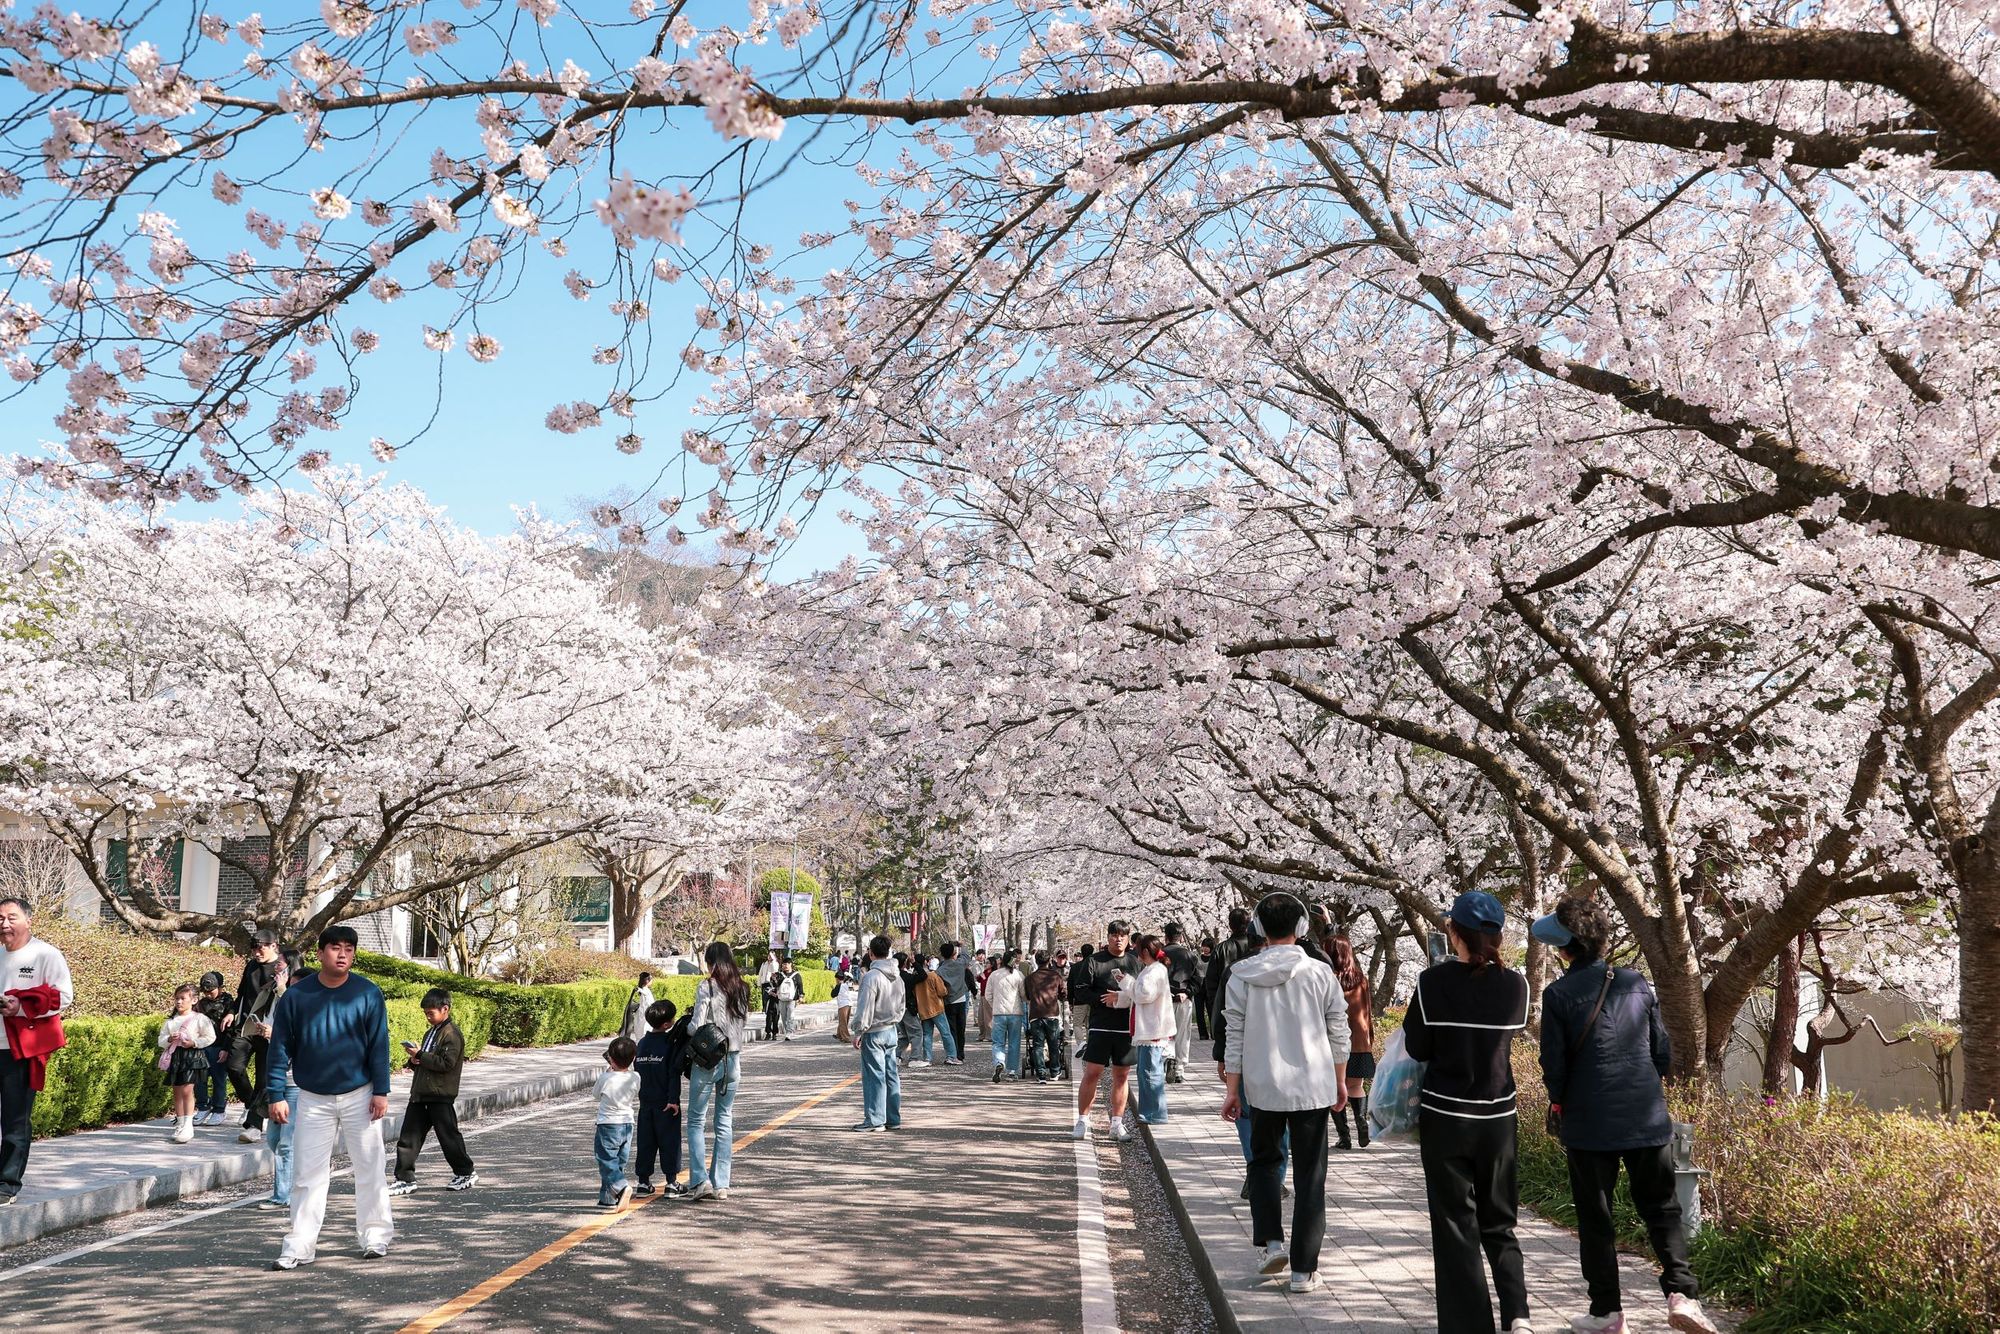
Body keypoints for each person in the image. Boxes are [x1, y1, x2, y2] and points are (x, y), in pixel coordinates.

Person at [1536, 898, 1719, 1334]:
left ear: (1564, 948)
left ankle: (1607, 1312)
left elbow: (1554, 1067)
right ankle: (1683, 1295)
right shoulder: (1637, 983)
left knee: (1595, 1215)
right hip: (1644, 1115)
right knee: (1661, 1208)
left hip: (1588, 1121)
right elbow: (1661, 1053)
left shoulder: (1558, 994)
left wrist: (1558, 1101)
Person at [1402, 891, 1532, 1334]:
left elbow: (1417, 1046)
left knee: (1456, 1224)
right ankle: (1518, 1315)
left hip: (1445, 1115)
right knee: (1501, 1220)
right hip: (1497, 1118)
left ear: (1452, 931)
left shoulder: (1431, 983)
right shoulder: (1516, 986)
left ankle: (1469, 1326)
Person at [1221, 893, 1348, 1294]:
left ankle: (1271, 1244)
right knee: (1311, 1177)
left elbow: (1233, 1036)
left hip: (1262, 1087)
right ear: (1302, 928)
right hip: (1313, 1087)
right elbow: (1338, 1033)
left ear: (1258, 928)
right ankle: (1303, 1271)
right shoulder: (1320, 973)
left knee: (1263, 1164)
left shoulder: (1241, 975)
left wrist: (1232, 1089)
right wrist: (1341, 1081)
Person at [264, 924, 393, 1269]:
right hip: (312, 1097)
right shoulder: (297, 996)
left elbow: (379, 1045)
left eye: (349, 949)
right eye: (335, 948)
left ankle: (375, 1235)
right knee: (307, 1175)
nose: (342, 955)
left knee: (370, 1168)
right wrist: (276, 1093)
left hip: (360, 1094)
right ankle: (299, 1245)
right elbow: (278, 1049)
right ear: (320, 953)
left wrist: (381, 1090)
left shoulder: (367, 993)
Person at [389, 988, 476, 1197]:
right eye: (426, 1013)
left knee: (448, 1137)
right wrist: (414, 1060)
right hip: (421, 1093)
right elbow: (427, 1060)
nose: (428, 1017)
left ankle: (465, 1172)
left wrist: (421, 1054)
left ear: (445, 1009)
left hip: (439, 1095)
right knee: (408, 1138)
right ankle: (404, 1178)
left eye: (431, 1013)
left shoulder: (452, 1034)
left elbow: (447, 1063)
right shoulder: (431, 1032)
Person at [682, 940, 748, 1202]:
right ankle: (721, 1183)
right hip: (733, 1061)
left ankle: (700, 1180)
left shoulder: (706, 986)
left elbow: (697, 1025)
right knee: (724, 1120)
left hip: (708, 1062)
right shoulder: (742, 988)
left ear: (711, 962)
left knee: (697, 1120)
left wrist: (686, 1026)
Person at [1072, 922, 1141, 1140]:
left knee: (1121, 1075)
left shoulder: (1134, 962)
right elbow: (1081, 990)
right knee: (1092, 1072)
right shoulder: (1094, 961)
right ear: (1108, 937)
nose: (1118, 939)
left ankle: (1117, 1124)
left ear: (1128, 938)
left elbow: (1141, 992)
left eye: (1123, 935)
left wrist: (1120, 1000)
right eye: (1114, 935)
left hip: (1125, 1028)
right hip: (1100, 1025)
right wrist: (1103, 1001)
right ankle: (1082, 1120)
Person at [224, 929, 285, 1142]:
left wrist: (278, 1030)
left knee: (263, 1079)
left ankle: (254, 1125)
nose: (256, 952)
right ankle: (252, 1105)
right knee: (233, 1066)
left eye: (261, 948)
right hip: (247, 1026)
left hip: (270, 1030)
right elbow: (241, 993)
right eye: (253, 948)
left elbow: (291, 998)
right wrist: (232, 1012)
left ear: (274, 946)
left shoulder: (285, 966)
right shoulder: (251, 966)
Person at [1110, 934, 1175, 1124]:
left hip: (1152, 1029)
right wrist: (1127, 984)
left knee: (1150, 1073)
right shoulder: (1153, 969)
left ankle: (1155, 1113)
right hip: (1150, 1027)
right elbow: (1140, 992)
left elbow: (1143, 995)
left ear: (1145, 952)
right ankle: (1150, 1112)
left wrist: (1126, 982)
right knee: (1147, 1072)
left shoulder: (1154, 971)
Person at [259, 951, 301, 1211]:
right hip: (278, 1082)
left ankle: (282, 1194)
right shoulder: (277, 997)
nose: (276, 970)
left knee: (285, 1142)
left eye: (281, 967)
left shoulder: (302, 1005)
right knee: (274, 1139)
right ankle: (298, 1176)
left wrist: (277, 1034)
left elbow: (303, 1042)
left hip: (297, 1083)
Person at [632, 999, 687, 1196]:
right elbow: (673, 1073)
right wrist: (673, 1099)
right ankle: (671, 1183)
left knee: (646, 1143)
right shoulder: (669, 1044)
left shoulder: (642, 1044)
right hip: (666, 1103)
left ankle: (643, 1183)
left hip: (645, 1102)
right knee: (669, 1142)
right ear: (666, 1024)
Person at [851, 934, 904, 1132]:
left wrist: (858, 1031)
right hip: (891, 1028)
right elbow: (902, 1006)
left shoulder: (871, 977)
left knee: (874, 1076)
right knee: (891, 1074)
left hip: (874, 1031)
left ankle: (875, 1119)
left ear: (871, 954)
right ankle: (893, 1117)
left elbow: (865, 1008)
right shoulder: (897, 977)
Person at [1329, 936, 1375, 1150]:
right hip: (1360, 1041)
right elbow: (1368, 1009)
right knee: (1355, 1085)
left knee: (1334, 1089)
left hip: (1335, 1042)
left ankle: (1344, 1137)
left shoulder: (1328, 978)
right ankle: (1362, 1123)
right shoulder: (1361, 978)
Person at [158, 982, 217, 1144]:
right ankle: (180, 1122)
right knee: (177, 1091)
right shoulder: (170, 1021)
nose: (178, 1002)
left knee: (187, 1090)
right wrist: (169, 1039)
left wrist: (194, 1042)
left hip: (193, 1057)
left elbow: (210, 1037)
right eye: (176, 998)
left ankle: (188, 1125)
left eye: (183, 998)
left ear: (194, 1000)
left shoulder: (200, 1018)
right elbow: (161, 1040)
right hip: (176, 1057)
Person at [592, 1036, 640, 1209]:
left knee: (605, 1159)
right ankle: (608, 1198)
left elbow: (596, 1095)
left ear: (610, 1059)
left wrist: (607, 1073)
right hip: (627, 1123)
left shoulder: (606, 1078)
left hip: (608, 1123)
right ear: (633, 1058)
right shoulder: (635, 1077)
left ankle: (620, 1186)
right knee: (618, 1160)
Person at [1162, 923, 1202, 1084]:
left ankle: (1167, 1058)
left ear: (1166, 936)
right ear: (1181, 936)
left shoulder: (1159, 955)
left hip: (1163, 999)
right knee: (1183, 1034)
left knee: (1164, 1033)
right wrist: (1187, 992)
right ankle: (1179, 1069)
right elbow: (1198, 979)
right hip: (1183, 999)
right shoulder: (1190, 955)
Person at [194, 970, 234, 1127]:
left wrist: (226, 1048)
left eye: (211, 991)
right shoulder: (201, 1004)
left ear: (221, 987)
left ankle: (219, 1109)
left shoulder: (229, 1004)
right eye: (205, 991)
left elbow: (232, 1030)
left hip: (219, 1047)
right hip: (202, 1046)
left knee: (219, 1080)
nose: (208, 994)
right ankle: (203, 1106)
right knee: (199, 1079)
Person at [986, 948, 1028, 1082]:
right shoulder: (1019, 975)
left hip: (999, 1014)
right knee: (1014, 1042)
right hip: (1015, 1014)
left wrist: (995, 1005)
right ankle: (1012, 1071)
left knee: (998, 1042)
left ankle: (999, 1062)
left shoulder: (994, 975)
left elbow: (988, 995)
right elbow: (1024, 995)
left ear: (1002, 961)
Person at [1025, 952, 1066, 1083]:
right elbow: (1063, 993)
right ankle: (1054, 1072)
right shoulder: (1055, 976)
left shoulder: (1030, 978)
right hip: (1052, 1013)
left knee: (1038, 1045)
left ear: (1036, 961)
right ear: (1049, 960)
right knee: (1053, 1043)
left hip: (1035, 1014)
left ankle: (1041, 1074)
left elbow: (1027, 995)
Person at [935, 942, 976, 1060]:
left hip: (948, 1000)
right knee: (961, 1028)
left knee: (951, 1028)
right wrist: (962, 945)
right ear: (954, 953)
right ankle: (961, 1053)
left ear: (942, 954)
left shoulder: (940, 970)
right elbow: (966, 956)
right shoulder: (959, 964)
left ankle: (953, 1053)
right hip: (961, 999)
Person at [916, 958, 958, 1065]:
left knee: (927, 1035)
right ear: (925, 962)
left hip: (923, 1009)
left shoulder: (915, 978)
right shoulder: (933, 976)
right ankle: (951, 1056)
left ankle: (927, 1058)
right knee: (945, 1033)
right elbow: (942, 991)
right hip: (936, 1008)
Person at [772, 958, 803, 1041]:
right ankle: (787, 1031)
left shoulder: (796, 975)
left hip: (792, 999)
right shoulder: (780, 974)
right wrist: (774, 979)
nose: (784, 966)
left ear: (790, 964)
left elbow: (800, 986)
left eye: (786, 964)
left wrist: (801, 996)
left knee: (790, 1016)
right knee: (783, 1016)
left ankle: (789, 1032)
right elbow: (776, 985)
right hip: (781, 998)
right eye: (783, 965)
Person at [621, 971, 655, 1045]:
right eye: (651, 980)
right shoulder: (645, 991)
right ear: (647, 981)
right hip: (644, 1015)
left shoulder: (642, 990)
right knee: (643, 1033)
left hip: (642, 1015)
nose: (652, 982)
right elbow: (650, 1002)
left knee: (640, 1034)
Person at [1195, 938, 1216, 1042]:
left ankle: (1213, 1032)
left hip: (1210, 986)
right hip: (1199, 987)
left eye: (1207, 946)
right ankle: (1202, 1034)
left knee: (1211, 1010)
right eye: (1204, 946)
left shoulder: (1214, 957)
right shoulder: (1198, 958)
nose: (1205, 948)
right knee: (1199, 1011)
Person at [758, 955, 782, 1042]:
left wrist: (777, 993)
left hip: (777, 1001)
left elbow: (781, 988)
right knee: (768, 1017)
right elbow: (767, 989)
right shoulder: (768, 980)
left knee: (776, 1017)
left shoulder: (780, 977)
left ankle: (774, 1033)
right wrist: (770, 992)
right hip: (770, 1000)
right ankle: (768, 1032)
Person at [834, 970, 857, 1044]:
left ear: (837, 979)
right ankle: (839, 1034)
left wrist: (833, 988)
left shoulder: (838, 986)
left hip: (843, 1005)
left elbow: (832, 994)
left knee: (842, 1021)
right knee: (844, 1020)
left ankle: (846, 1037)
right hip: (849, 1004)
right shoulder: (845, 984)